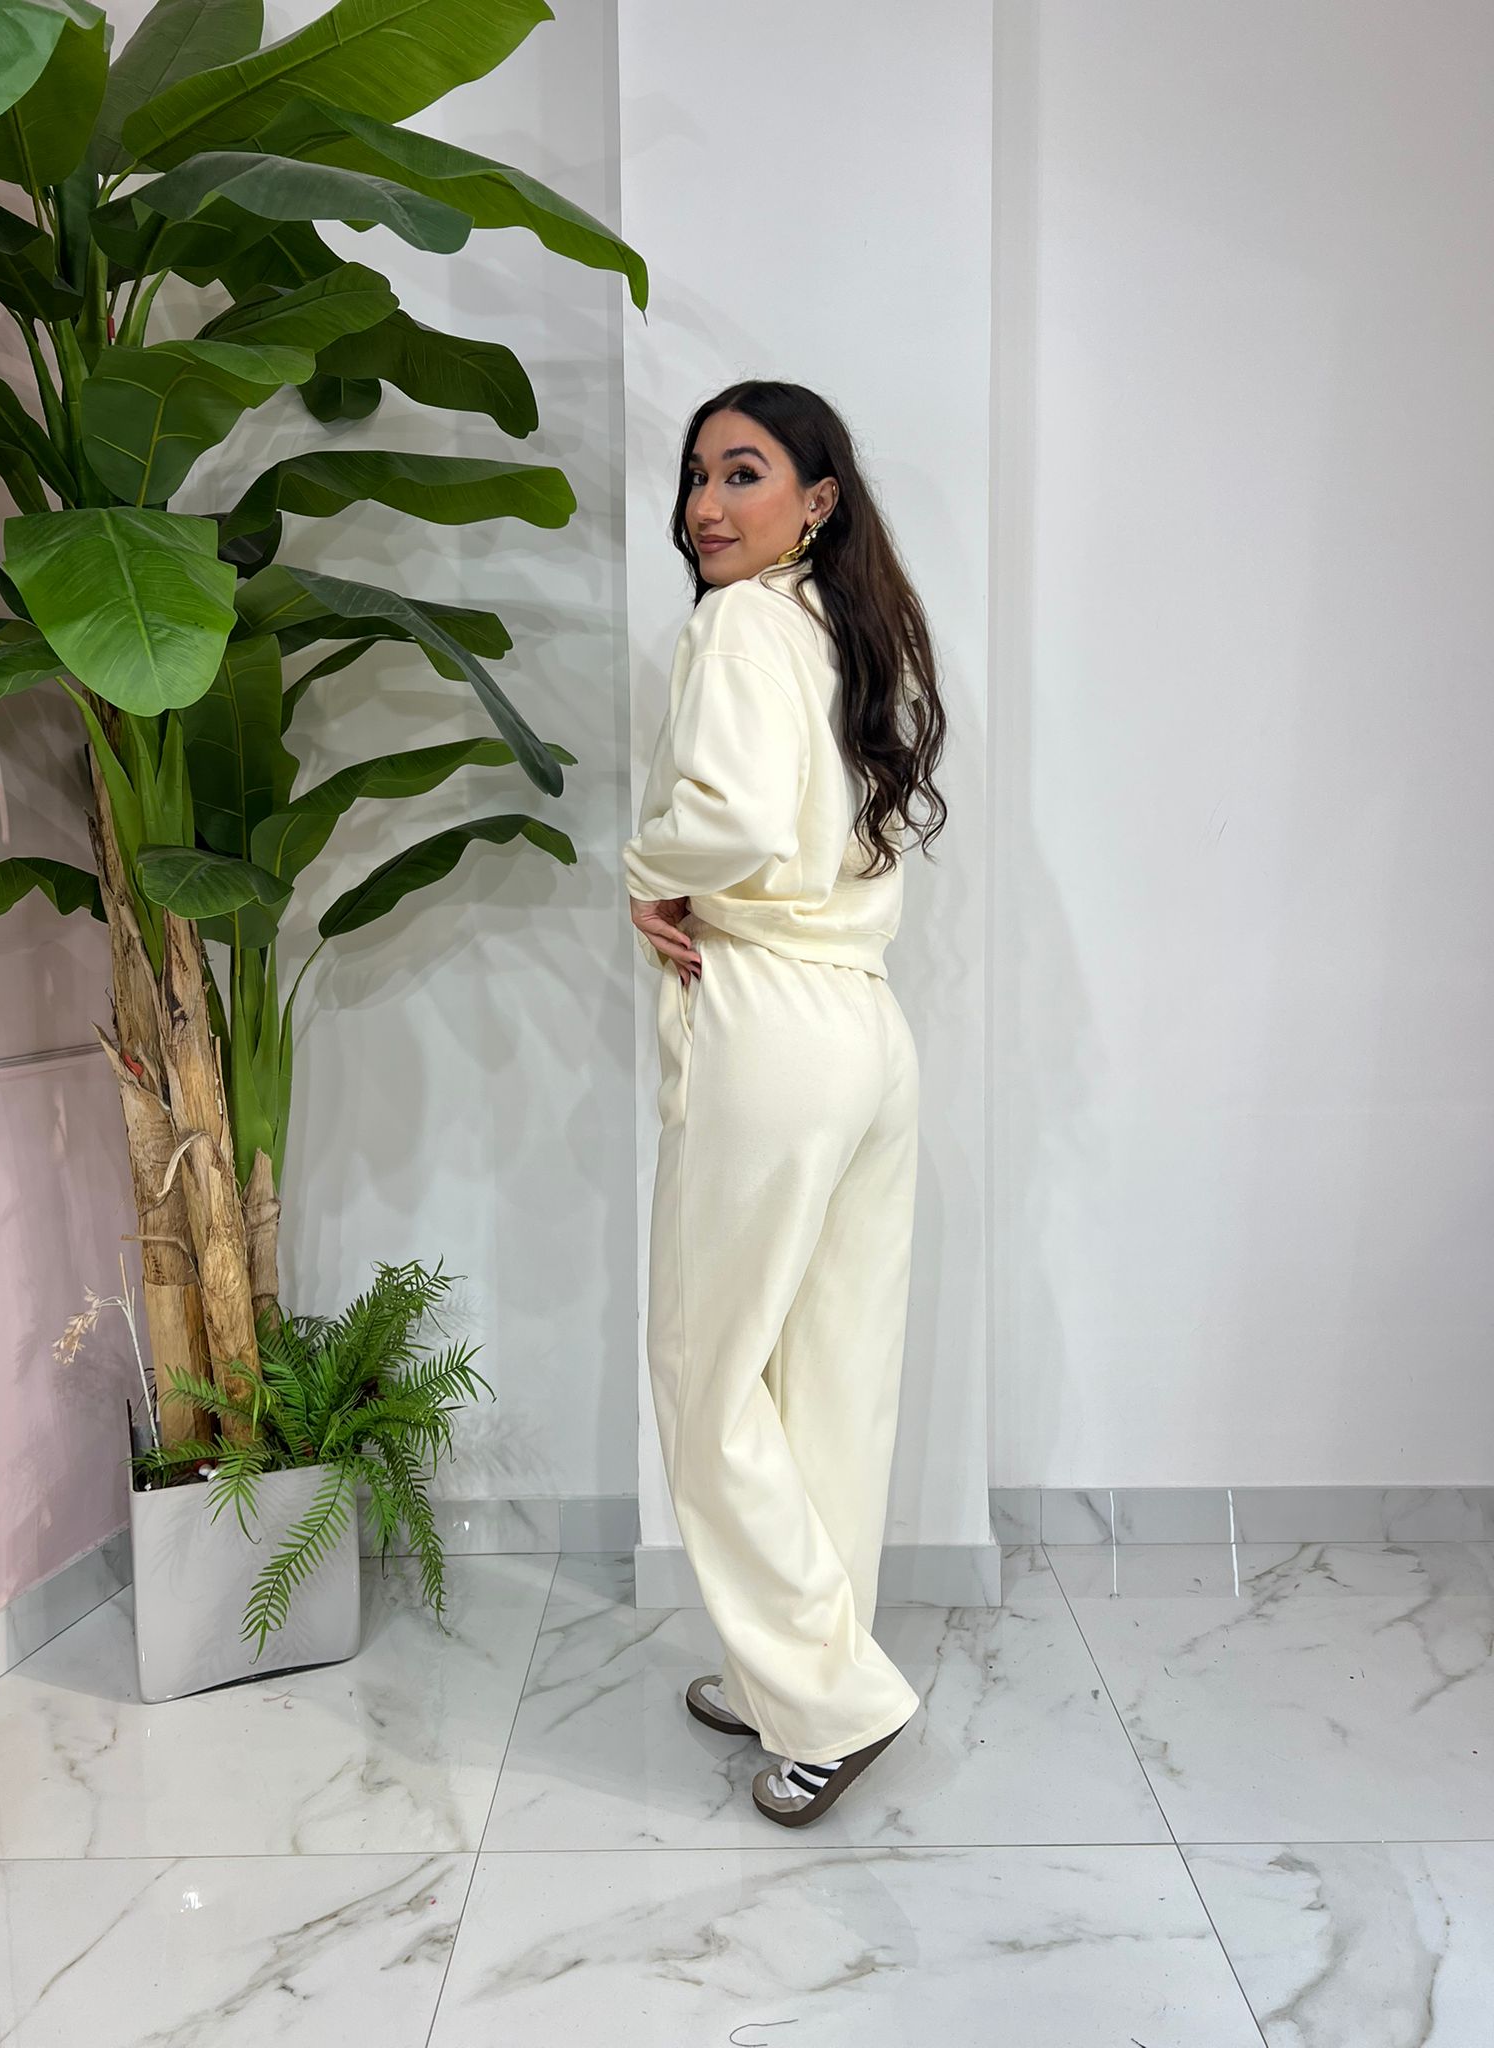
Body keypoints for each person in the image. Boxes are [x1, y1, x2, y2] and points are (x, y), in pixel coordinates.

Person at [623, 380, 948, 1828]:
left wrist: (645, 869)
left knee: (708, 1375)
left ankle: (833, 1698)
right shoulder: (851, 627)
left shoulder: (742, 623)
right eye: (697, 474)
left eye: (742, 473)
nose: (706, 504)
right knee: (831, 1377)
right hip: (867, 1028)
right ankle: (794, 1676)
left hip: (771, 1025)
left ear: (816, 499)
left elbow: (736, 822)